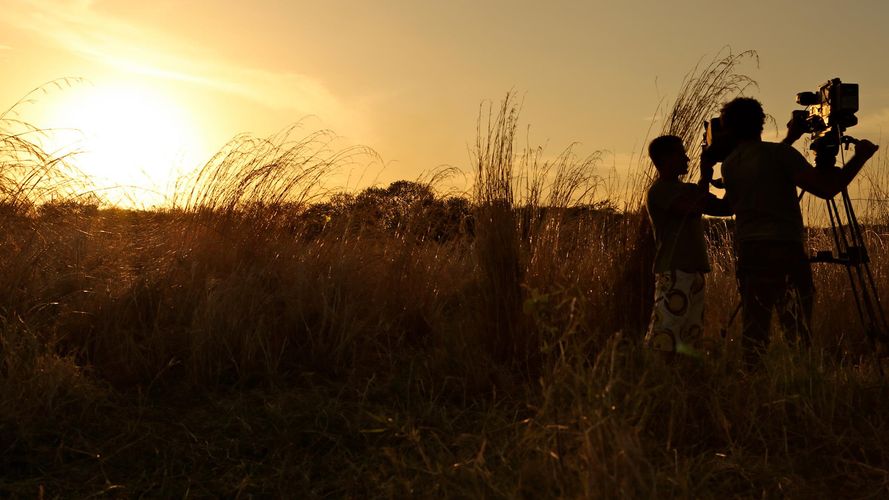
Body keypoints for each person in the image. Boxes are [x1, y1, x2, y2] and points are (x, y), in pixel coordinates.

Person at [716, 97, 880, 366]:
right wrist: (859, 157)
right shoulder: (780, 156)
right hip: (784, 251)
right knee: (798, 331)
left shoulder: (731, 163)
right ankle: (802, 382)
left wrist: (791, 138)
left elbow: (765, 165)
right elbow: (827, 189)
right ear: (762, 121)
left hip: (749, 253)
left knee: (754, 331)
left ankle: (751, 386)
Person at [643, 135, 732, 357]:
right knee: (665, 331)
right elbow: (691, 207)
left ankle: (679, 378)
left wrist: (730, 177)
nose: (687, 158)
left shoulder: (687, 189)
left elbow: (725, 208)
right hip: (674, 269)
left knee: (690, 333)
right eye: (681, 153)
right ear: (666, 158)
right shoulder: (659, 190)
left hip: (693, 270)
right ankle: (655, 376)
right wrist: (705, 176)